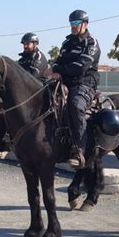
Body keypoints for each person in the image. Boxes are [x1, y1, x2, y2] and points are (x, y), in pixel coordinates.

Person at [51, 10, 100, 168]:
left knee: (75, 105)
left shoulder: (91, 43)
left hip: (84, 83)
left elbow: (80, 68)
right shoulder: (67, 43)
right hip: (65, 82)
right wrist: (58, 69)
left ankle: (79, 150)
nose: (73, 27)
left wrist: (60, 70)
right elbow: (56, 63)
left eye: (76, 24)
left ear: (85, 24)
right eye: (71, 24)